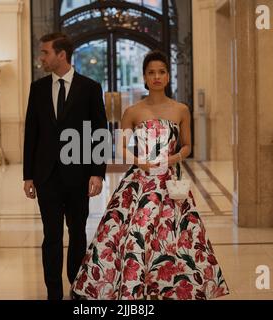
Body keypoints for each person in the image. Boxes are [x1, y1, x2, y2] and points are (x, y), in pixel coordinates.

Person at [71, 50, 229, 300]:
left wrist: (172, 159)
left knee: (175, 237)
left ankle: (172, 288)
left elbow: (187, 146)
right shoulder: (133, 111)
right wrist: (139, 162)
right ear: (144, 77)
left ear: (168, 77)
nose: (156, 76)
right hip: (140, 183)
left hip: (170, 183)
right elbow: (121, 146)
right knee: (136, 235)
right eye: (151, 72)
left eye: (161, 72)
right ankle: (133, 288)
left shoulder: (181, 110)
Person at [23, 32, 107, 300]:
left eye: (45, 52)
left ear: (62, 54)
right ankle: (53, 292)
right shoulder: (37, 89)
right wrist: (28, 175)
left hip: (78, 174)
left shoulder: (90, 88)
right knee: (51, 237)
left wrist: (97, 172)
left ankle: (77, 287)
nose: (41, 58)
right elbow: (31, 133)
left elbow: (99, 133)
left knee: (78, 234)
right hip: (46, 175)